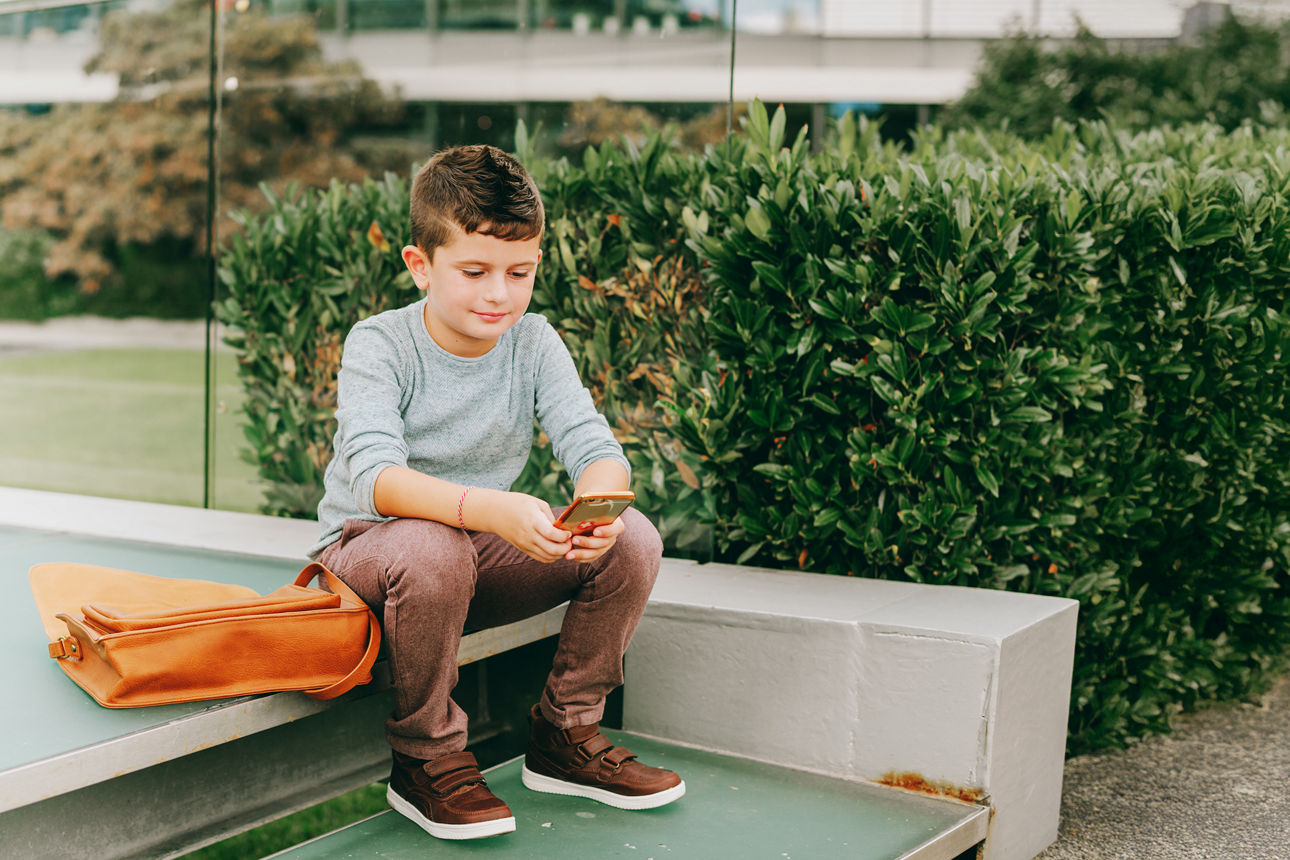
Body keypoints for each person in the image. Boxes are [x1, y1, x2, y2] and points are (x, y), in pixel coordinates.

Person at [308, 144, 682, 841]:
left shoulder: (533, 343)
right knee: (432, 544)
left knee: (633, 539)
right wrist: (490, 510)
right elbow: (374, 478)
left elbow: (596, 448)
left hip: (466, 558)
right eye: (475, 271)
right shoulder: (379, 344)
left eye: (521, 272)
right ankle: (427, 761)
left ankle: (564, 738)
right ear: (421, 266)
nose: (499, 295)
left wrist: (598, 507)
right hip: (364, 562)